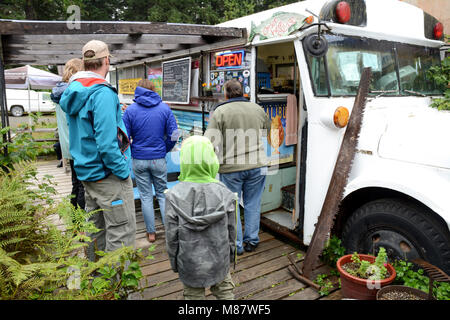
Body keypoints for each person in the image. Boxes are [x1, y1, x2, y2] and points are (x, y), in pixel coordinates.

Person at [59, 40, 136, 261]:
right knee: (120, 235)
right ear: (106, 61)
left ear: (84, 63)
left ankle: (97, 282)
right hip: (108, 176)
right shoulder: (102, 92)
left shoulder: (74, 90)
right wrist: (122, 171)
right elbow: (106, 143)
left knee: (95, 231)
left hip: (87, 174)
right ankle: (117, 290)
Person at [165, 135, 237, 300]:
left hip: (189, 262)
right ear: (211, 159)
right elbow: (232, 232)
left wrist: (175, 263)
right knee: (225, 292)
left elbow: (171, 237)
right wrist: (230, 258)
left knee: (193, 296)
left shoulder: (173, 196)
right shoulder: (225, 194)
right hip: (220, 259)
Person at [204, 79, 270, 256]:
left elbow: (209, 140)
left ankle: (237, 245)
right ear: (242, 92)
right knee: (252, 203)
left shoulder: (220, 112)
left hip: (231, 168)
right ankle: (252, 241)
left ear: (226, 93)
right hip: (258, 165)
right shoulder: (257, 109)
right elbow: (267, 130)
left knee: (231, 206)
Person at [122, 79, 178, 243]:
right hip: (158, 159)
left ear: (137, 91)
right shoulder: (165, 109)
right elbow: (174, 134)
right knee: (162, 194)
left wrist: (134, 149)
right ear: (154, 90)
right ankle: (169, 230)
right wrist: (165, 148)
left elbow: (123, 137)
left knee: (145, 196)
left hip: (139, 159)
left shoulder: (130, 111)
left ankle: (151, 233)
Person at [51, 58, 85, 210]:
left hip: (66, 144)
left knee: (75, 184)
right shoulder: (72, 93)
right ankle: (80, 225)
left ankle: (75, 222)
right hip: (77, 144)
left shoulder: (59, 93)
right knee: (83, 186)